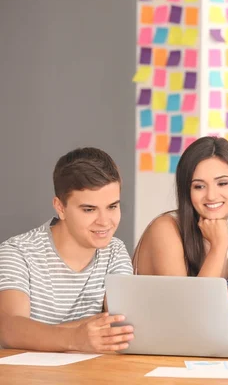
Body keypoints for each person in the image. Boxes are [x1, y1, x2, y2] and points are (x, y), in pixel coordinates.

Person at [0, 147, 134, 352]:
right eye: (89, 209)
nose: (105, 222)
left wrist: (44, 334)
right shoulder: (17, 252)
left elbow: (122, 326)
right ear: (60, 208)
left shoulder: (114, 250)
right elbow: (10, 330)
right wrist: (76, 337)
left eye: (112, 207)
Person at [133, 137, 228, 282]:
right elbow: (188, 304)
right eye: (199, 186)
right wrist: (219, 246)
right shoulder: (165, 229)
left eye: (222, 183)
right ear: (187, 190)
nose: (211, 196)